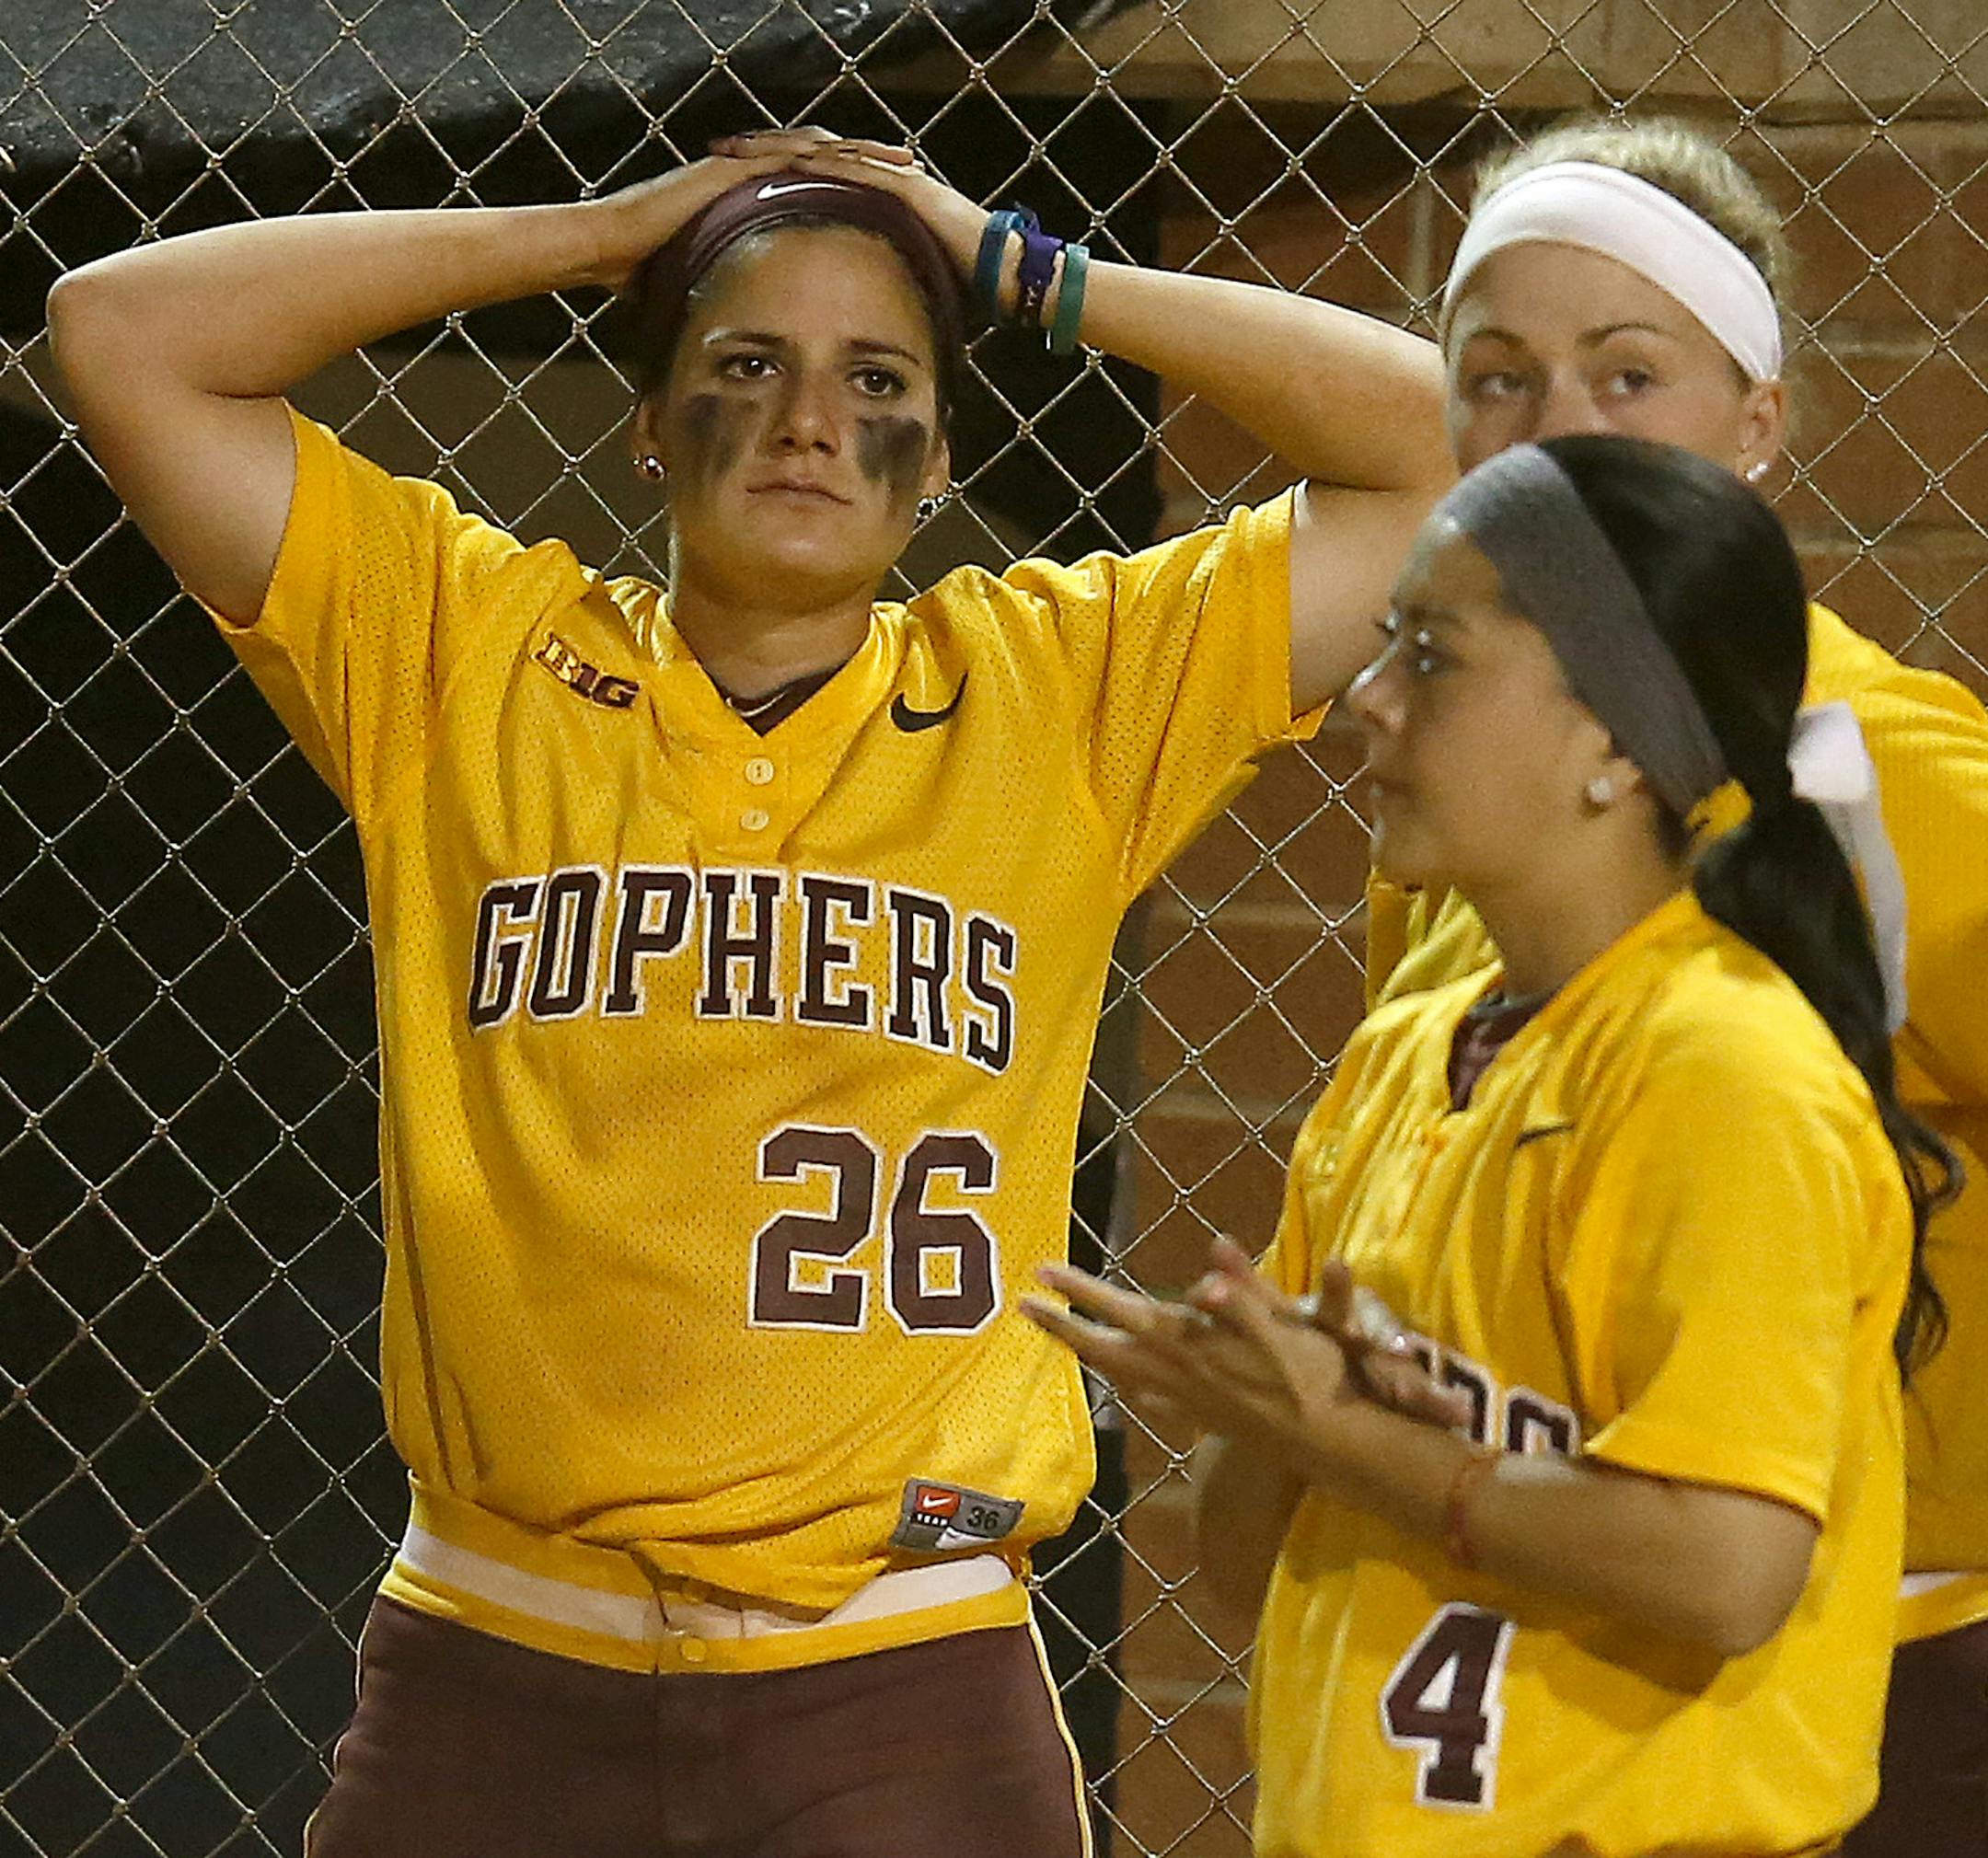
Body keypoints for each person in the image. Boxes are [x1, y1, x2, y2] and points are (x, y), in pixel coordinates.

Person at [43, 127, 1451, 1853]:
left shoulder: (1061, 693)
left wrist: (1025, 270)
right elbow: (119, 330)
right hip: (498, 1652)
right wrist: (605, 232)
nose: (806, 422)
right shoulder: (460, 652)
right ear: (646, 423)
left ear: (937, 456)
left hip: (898, 1671)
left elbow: (1451, 454)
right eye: (743, 366)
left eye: (877, 380)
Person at [1025, 431, 1958, 1855]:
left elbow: (1726, 1569)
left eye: (1435, 657)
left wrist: (1348, 1433)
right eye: (1384, 645)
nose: (1369, 705)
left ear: (1611, 738)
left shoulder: (1729, 1070)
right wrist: (1287, 1426)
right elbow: (1237, 1559)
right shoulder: (1416, 1045)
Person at [1342, 118, 1988, 1854]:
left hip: (1887, 1651)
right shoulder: (1483, 775)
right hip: (1546, 1617)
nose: (1552, 428)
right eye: (1495, 378)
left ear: (1759, 421)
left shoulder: (1891, 769)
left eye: (1628, 375)